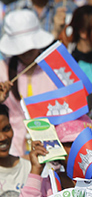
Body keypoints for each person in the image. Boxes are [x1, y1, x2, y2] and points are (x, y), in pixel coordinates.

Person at [0, 10, 57, 157]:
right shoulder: (2, 69)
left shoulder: (56, 68)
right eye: (21, 48)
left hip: (53, 147)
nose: (26, 51)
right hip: (11, 151)